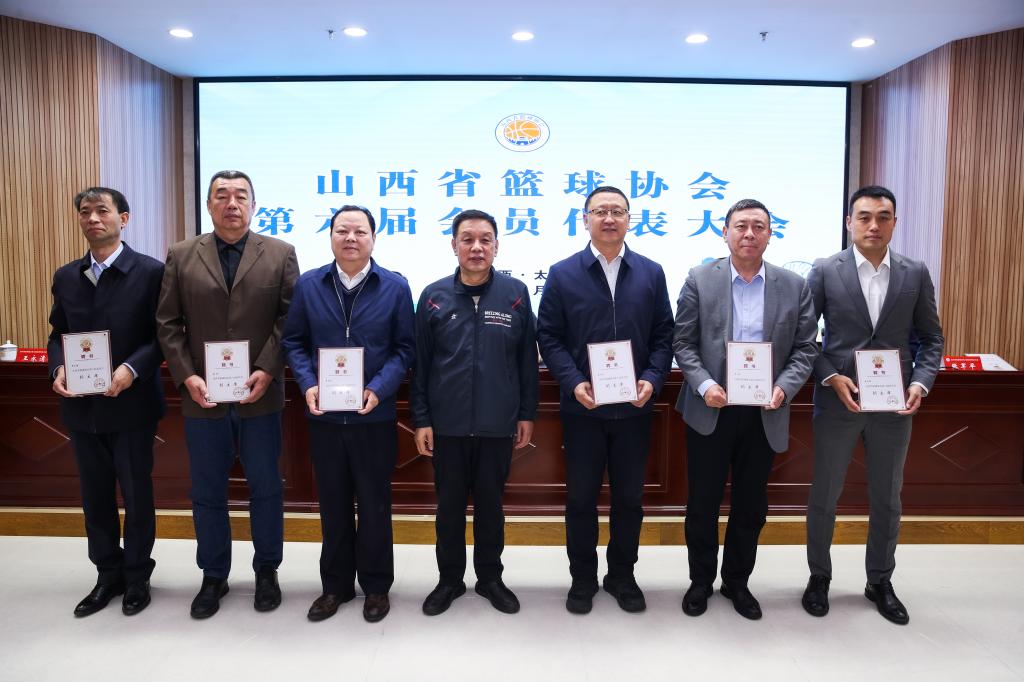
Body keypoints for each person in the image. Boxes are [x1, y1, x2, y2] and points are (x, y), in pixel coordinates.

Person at [156, 170, 298, 619]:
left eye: (240, 196)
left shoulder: (280, 253)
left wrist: (267, 369)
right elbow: (167, 322)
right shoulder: (182, 254)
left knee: (266, 487)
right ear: (209, 205)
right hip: (203, 396)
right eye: (222, 195)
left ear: (255, 205)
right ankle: (213, 574)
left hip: (261, 395)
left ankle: (267, 571)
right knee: (207, 490)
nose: (231, 203)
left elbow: (289, 319)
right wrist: (187, 376)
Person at [803, 185, 944, 625]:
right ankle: (819, 578)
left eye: (883, 217)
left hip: (893, 405)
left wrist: (920, 383)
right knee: (825, 494)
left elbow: (931, 338)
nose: (873, 225)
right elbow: (804, 338)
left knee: (887, 495)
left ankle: (880, 581)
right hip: (838, 400)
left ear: (894, 223)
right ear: (849, 222)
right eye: (864, 217)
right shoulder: (825, 270)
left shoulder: (914, 272)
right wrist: (830, 376)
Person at [673, 198, 818, 619]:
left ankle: (737, 581)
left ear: (770, 234)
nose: (749, 234)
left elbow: (806, 348)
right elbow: (682, 342)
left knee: (751, 505)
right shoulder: (700, 279)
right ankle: (700, 581)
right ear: (725, 232)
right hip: (711, 407)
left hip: (765, 411)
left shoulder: (795, 285)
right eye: (741, 226)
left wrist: (783, 388)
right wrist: (704, 385)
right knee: (702, 502)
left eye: (758, 226)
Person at [537, 186, 673, 615]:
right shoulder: (563, 273)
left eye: (618, 211)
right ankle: (582, 578)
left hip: (634, 409)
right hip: (583, 409)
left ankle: (621, 576)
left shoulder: (651, 272)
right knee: (581, 499)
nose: (609, 218)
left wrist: (652, 377)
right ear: (585, 219)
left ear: (630, 219)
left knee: (629, 499)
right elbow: (549, 336)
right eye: (600, 211)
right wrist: (574, 381)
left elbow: (664, 335)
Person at [281, 205, 414, 623]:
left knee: (374, 504)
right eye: (342, 231)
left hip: (374, 416)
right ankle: (335, 586)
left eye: (359, 231)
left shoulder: (395, 287)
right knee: (333, 504)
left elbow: (405, 349)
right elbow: (293, 342)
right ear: (331, 236)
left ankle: (376, 587)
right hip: (325, 418)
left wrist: (379, 388)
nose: (351, 238)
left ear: (374, 237)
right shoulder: (310, 284)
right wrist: (308, 383)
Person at [411, 209, 538, 616]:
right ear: (454, 245)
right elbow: (421, 364)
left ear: (497, 246)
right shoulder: (433, 296)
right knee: (448, 508)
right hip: (446, 426)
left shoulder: (516, 294)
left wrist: (526, 414)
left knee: (490, 507)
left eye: (486, 239)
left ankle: (490, 578)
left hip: (497, 424)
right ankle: (449, 580)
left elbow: (526, 362)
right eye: (468, 239)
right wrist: (421, 419)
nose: (477, 247)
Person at [48, 187, 165, 617]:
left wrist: (131, 370)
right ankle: (106, 574)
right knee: (94, 496)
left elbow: (163, 337)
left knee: (136, 494)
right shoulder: (67, 276)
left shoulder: (151, 272)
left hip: (132, 406)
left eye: (102, 211)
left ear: (124, 218)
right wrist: (57, 367)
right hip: (83, 409)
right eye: (85, 212)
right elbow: (57, 335)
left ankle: (137, 576)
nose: (93, 218)